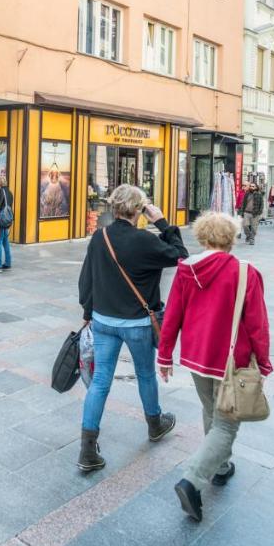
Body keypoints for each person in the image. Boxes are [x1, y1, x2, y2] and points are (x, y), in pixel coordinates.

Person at [158, 213, 271, 522]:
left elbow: (173, 316)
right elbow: (257, 324)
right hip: (231, 361)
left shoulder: (186, 270)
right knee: (226, 424)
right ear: (231, 239)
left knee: (212, 409)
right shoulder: (245, 273)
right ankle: (192, 479)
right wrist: (263, 361)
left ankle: (219, 465)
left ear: (202, 237)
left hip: (196, 357)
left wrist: (165, 355)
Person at [75, 184, 186, 473]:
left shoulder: (100, 237)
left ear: (113, 208)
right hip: (137, 322)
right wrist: (160, 221)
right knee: (145, 374)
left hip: (103, 320)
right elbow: (180, 254)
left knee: (100, 381)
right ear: (139, 211)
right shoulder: (145, 241)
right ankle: (154, 423)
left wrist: (88, 312)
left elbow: (86, 279)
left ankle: (87, 449)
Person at [0, 177, 14, 272]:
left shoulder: (0, 192)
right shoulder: (10, 192)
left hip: (1, 219)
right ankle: (8, 263)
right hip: (8, 218)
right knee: (5, 241)